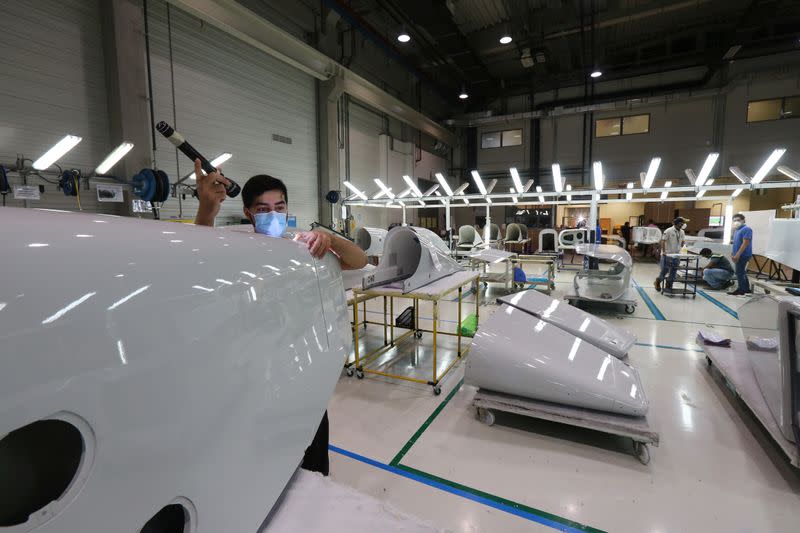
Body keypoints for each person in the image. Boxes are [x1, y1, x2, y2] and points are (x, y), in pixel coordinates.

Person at [193, 159, 368, 477]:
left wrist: (329, 238)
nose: (273, 214)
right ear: (248, 213)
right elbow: (198, 261)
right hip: (257, 375)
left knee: (314, 455)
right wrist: (207, 210)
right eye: (262, 208)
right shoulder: (236, 248)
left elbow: (358, 260)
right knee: (268, 462)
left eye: (279, 206)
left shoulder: (302, 248)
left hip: (303, 370)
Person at [655, 217, 685, 293]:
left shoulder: (682, 232)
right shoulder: (668, 231)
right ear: (676, 223)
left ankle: (668, 285)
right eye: (680, 224)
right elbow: (663, 241)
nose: (681, 226)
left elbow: (682, 241)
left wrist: (682, 244)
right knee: (665, 270)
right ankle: (658, 281)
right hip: (668, 255)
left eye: (682, 224)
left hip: (677, 255)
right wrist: (664, 251)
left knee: (674, 271)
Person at [729, 212, 753, 295]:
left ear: (743, 220)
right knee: (741, 272)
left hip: (743, 254)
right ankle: (746, 289)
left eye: (738, 220)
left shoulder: (747, 229)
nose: (736, 222)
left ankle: (741, 289)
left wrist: (737, 255)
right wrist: (733, 253)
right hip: (737, 254)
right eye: (734, 220)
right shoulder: (737, 230)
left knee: (739, 272)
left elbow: (745, 243)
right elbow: (735, 243)